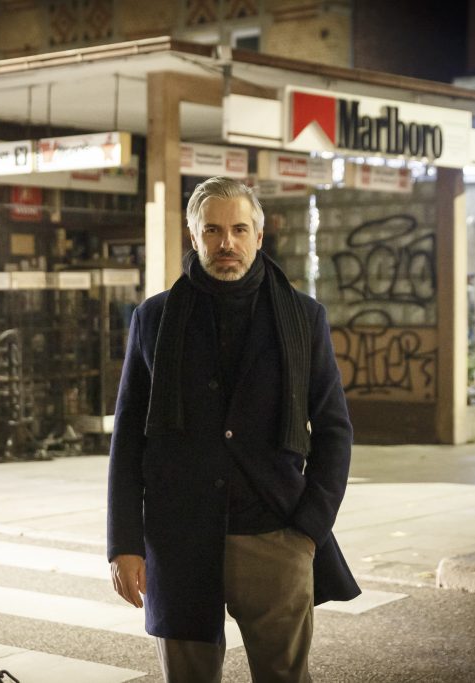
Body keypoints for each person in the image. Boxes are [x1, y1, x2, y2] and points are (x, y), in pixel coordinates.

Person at [107, 176, 359, 682]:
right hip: (178, 538)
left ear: (259, 237)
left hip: (275, 533)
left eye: (240, 229)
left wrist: (308, 531)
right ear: (194, 235)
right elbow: (129, 437)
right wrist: (124, 543)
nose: (227, 243)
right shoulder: (154, 319)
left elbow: (334, 430)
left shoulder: (303, 318)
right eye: (214, 230)